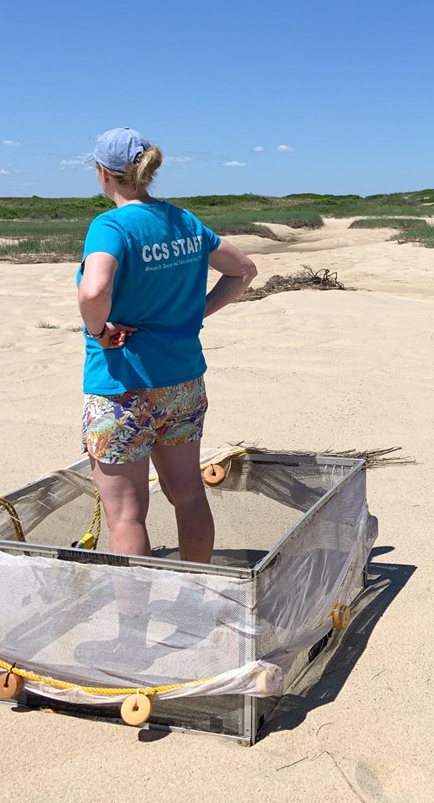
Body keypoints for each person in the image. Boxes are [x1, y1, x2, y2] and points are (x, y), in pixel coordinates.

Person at [77, 127, 257, 564]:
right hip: (183, 383)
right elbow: (244, 270)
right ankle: (196, 595)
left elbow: (93, 290)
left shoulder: (112, 225)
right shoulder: (184, 221)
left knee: (126, 515)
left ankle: (134, 623)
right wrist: (195, 313)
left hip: (123, 387)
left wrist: (99, 330)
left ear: (103, 173)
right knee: (190, 495)